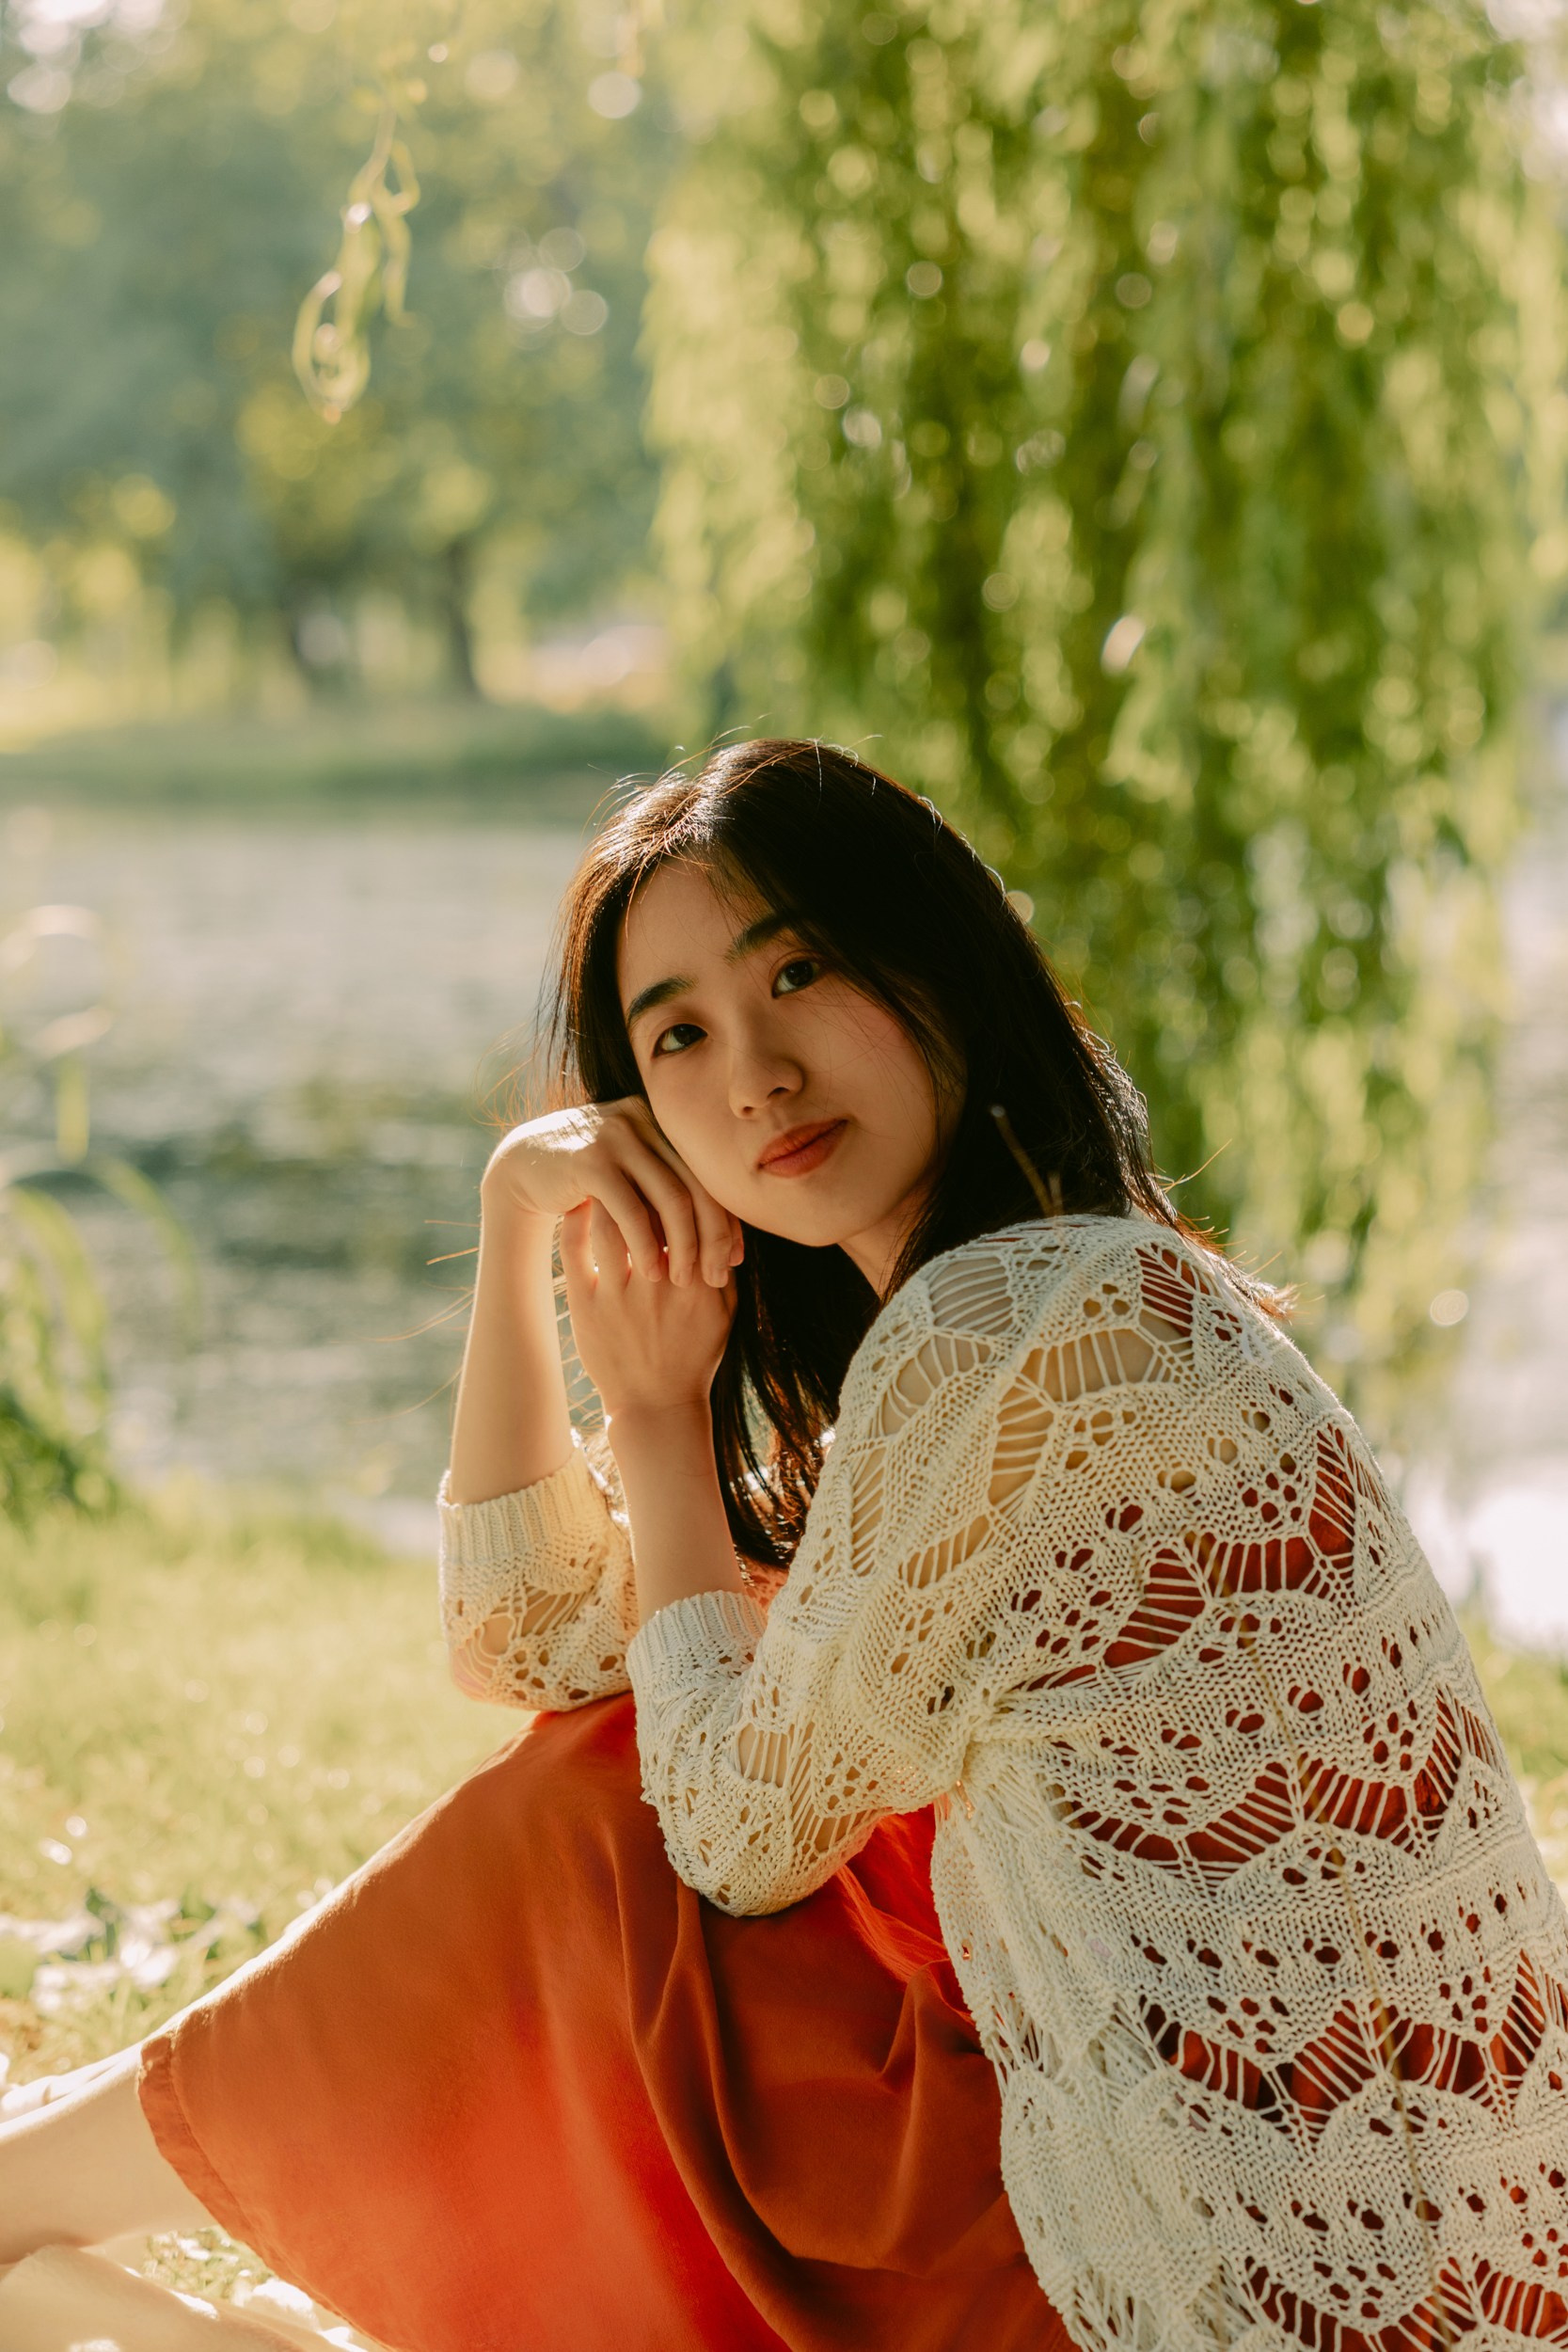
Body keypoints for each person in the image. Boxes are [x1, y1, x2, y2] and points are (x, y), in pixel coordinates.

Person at [3, 738, 1565, 2352]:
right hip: (1274, 2250)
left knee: (614, 1807)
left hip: (1254, 2290)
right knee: (617, 1771)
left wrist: (666, 1430)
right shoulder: (1011, 1319)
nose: (751, 1075)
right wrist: (518, 1224)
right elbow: (534, 1646)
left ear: (939, 959)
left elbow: (734, 1829)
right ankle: (43, 2226)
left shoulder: (1030, 1325)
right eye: (678, 1036)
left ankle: (29, 2198)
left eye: (800, 970)